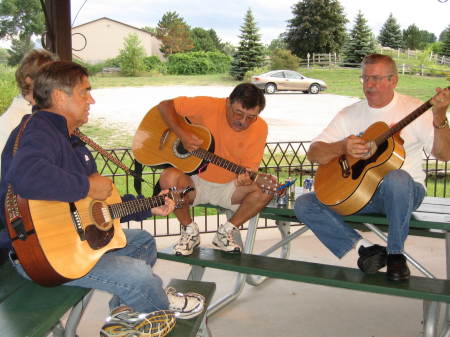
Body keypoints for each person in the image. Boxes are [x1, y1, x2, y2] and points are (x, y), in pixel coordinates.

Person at [0, 61, 205, 336]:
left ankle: (124, 316)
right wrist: (85, 185)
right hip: (42, 257)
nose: (91, 100)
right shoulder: (40, 131)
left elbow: (98, 207)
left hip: (72, 241)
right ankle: (158, 309)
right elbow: (26, 177)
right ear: (60, 97)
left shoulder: (69, 137)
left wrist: (150, 206)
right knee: (139, 277)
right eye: (85, 92)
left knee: (142, 242)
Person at [294, 54, 450, 281]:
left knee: (397, 177)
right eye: (365, 78)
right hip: (358, 195)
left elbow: (444, 155)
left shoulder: (415, 109)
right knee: (304, 203)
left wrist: (439, 117)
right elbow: (314, 152)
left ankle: (396, 255)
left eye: (376, 78)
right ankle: (365, 249)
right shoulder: (350, 113)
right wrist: (342, 146)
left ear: (393, 80)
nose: (369, 85)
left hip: (403, 193)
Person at [158, 83, 274, 256]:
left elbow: (249, 167)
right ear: (228, 103)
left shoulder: (260, 127)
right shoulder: (209, 106)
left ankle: (226, 231)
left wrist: (246, 177)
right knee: (168, 177)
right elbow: (165, 105)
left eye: (251, 117)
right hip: (194, 182)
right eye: (238, 113)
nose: (243, 121)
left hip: (230, 186)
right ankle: (189, 231)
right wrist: (182, 134)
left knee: (266, 188)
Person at [0, 49, 58, 175]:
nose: (55, 83)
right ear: (28, 80)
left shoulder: (48, 112)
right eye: (48, 77)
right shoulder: (13, 121)